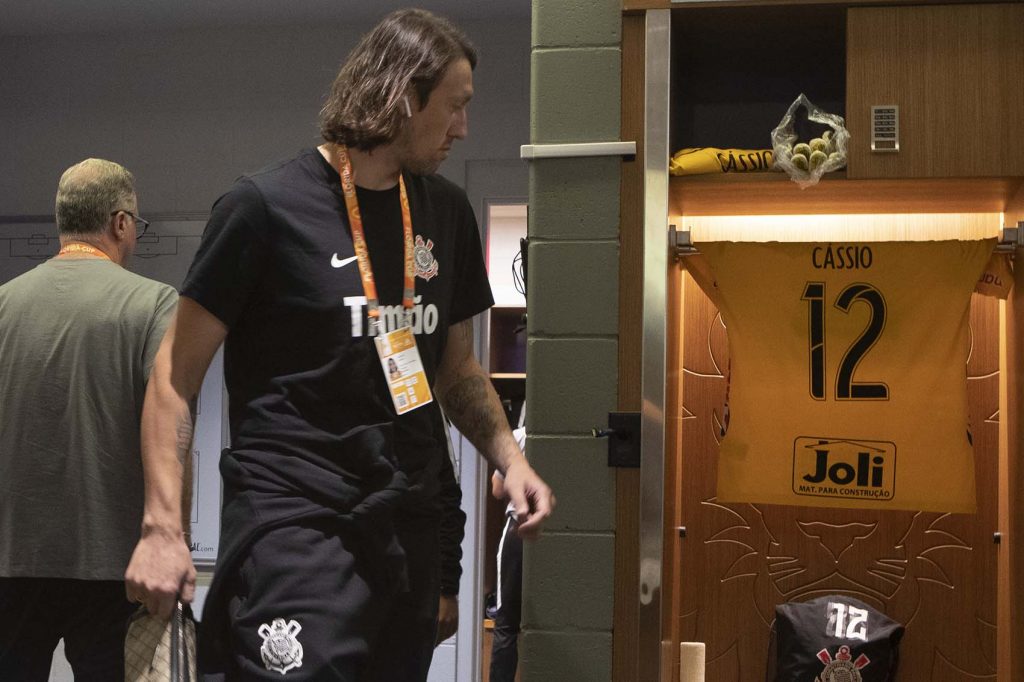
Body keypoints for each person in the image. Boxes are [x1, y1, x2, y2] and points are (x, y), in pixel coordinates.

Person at [127, 9, 554, 680]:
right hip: (295, 526)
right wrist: (161, 528)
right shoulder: (262, 208)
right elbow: (172, 378)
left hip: (402, 534)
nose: (464, 127)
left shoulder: (443, 213)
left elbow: (456, 368)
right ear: (402, 97)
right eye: (455, 107)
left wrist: (511, 460)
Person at [0, 158, 183, 680]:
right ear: (121, 223)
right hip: (115, 565)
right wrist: (173, 538)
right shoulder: (153, 303)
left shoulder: (3, 304)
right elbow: (171, 427)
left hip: (10, 560)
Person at [489, 408, 526, 682]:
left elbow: (497, 490)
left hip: (518, 531)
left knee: (506, 625)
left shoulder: (517, 438)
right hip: (552, 528)